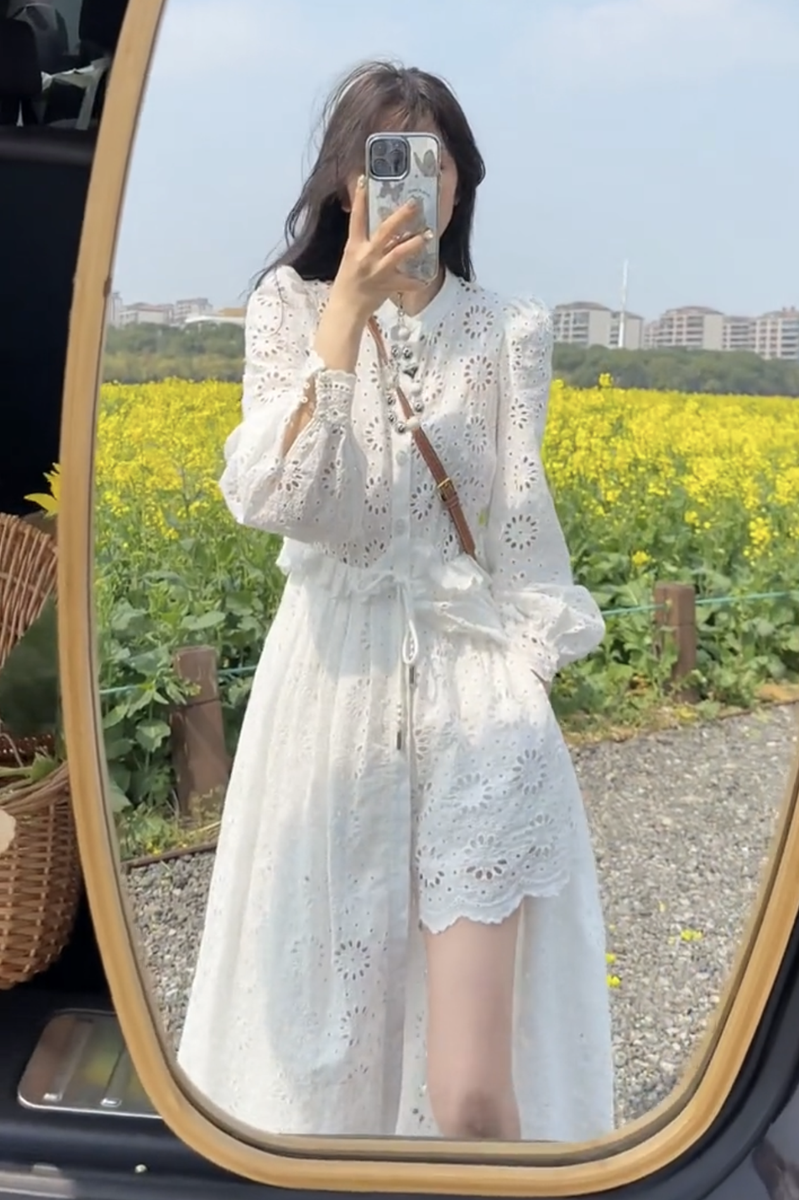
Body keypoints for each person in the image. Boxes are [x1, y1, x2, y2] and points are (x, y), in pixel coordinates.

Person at [177, 60, 614, 1144]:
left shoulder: (509, 329)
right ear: (346, 184)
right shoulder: (287, 310)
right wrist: (347, 315)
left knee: (472, 1093)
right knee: (324, 1048)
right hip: (328, 690)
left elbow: (523, 527)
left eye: (440, 161)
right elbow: (278, 500)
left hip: (475, 701)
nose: (423, 184)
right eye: (391, 160)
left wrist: (521, 679)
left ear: (463, 183)